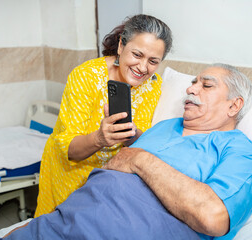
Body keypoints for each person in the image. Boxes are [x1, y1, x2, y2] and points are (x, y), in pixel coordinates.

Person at [3, 64, 252, 240]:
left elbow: (213, 218)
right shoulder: (165, 127)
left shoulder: (240, 151)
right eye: (193, 83)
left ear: (234, 105)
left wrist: (139, 159)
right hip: (65, 221)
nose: (190, 89)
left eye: (206, 86)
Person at [34, 14, 173, 217]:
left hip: (107, 181)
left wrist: (131, 134)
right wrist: (99, 138)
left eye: (153, 61)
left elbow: (140, 139)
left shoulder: (153, 85)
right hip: (69, 174)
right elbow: (69, 150)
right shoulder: (85, 77)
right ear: (120, 47)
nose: (143, 67)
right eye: (137, 55)